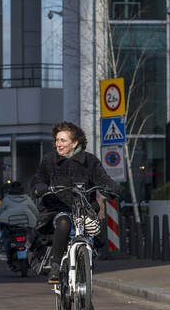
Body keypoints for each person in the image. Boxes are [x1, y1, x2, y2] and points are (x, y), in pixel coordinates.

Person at [30, 121, 121, 284]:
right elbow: (37, 181)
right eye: (57, 140)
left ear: (75, 143)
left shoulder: (90, 161)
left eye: (63, 140)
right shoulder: (49, 161)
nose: (58, 144)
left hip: (85, 209)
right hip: (57, 209)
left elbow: (103, 179)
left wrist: (114, 188)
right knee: (64, 223)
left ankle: (86, 284)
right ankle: (56, 266)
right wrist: (40, 188)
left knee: (91, 231)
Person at [0, 181, 39, 252]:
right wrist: (37, 219)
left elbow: (0, 211)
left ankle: (5, 247)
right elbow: (35, 211)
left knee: (5, 235)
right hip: (26, 223)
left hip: (10, 224)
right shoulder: (27, 199)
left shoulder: (6, 199)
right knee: (32, 235)